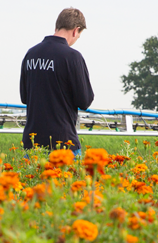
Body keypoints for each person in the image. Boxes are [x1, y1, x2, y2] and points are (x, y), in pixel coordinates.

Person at [20, 7, 94, 155]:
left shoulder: (31, 54)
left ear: (57, 26)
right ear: (75, 30)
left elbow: (24, 97)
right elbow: (85, 101)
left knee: (32, 179)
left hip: (32, 144)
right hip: (63, 143)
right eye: (78, 36)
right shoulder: (72, 57)